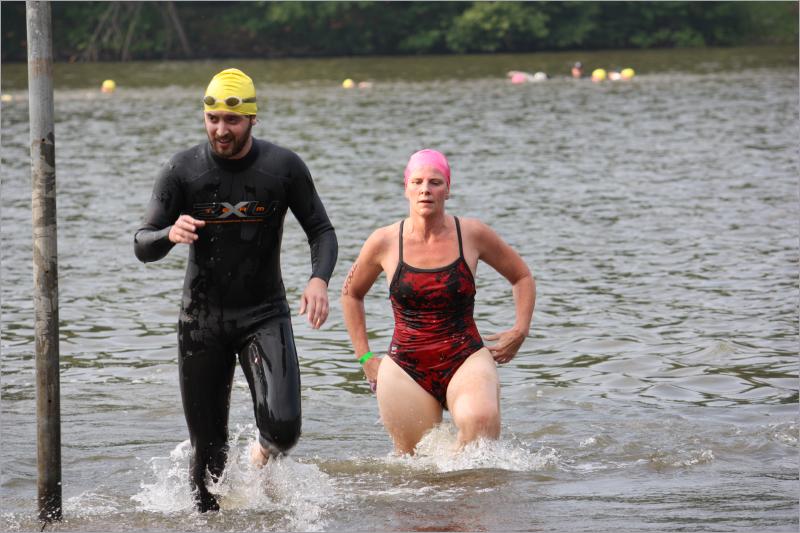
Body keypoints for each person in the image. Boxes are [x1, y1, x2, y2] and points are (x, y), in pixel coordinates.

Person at [133, 68, 338, 512]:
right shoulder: (182, 169)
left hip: (263, 314)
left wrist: (319, 279)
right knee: (207, 454)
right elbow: (141, 244)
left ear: (252, 120)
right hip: (201, 321)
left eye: (232, 120)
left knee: (284, 430)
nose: (221, 130)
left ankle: (260, 457)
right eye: (213, 120)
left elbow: (321, 230)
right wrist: (169, 233)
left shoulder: (282, 168)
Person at [340, 149, 535, 455]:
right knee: (415, 467)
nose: (425, 189)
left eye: (435, 182)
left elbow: (522, 276)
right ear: (406, 188)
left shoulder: (472, 234)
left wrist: (520, 330)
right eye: (417, 181)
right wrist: (366, 359)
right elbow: (351, 294)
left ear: (448, 188)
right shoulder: (384, 241)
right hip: (406, 364)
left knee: (481, 427)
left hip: (464, 355)